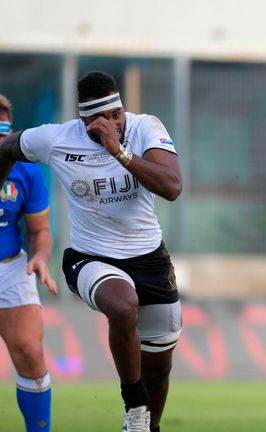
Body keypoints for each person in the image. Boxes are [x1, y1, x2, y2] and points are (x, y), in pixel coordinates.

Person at [0, 71, 182, 432]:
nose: (112, 123)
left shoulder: (145, 128)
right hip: (91, 258)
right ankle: (134, 404)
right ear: (83, 120)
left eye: (117, 114)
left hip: (149, 259)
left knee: (159, 369)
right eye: (101, 119)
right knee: (122, 304)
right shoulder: (56, 138)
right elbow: (6, 147)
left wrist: (121, 152)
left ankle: (145, 425)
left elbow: (172, 186)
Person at [0, 94, 56, 431]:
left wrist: (40, 256)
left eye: (3, 134)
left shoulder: (26, 171)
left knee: (30, 351)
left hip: (10, 267)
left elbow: (40, 230)